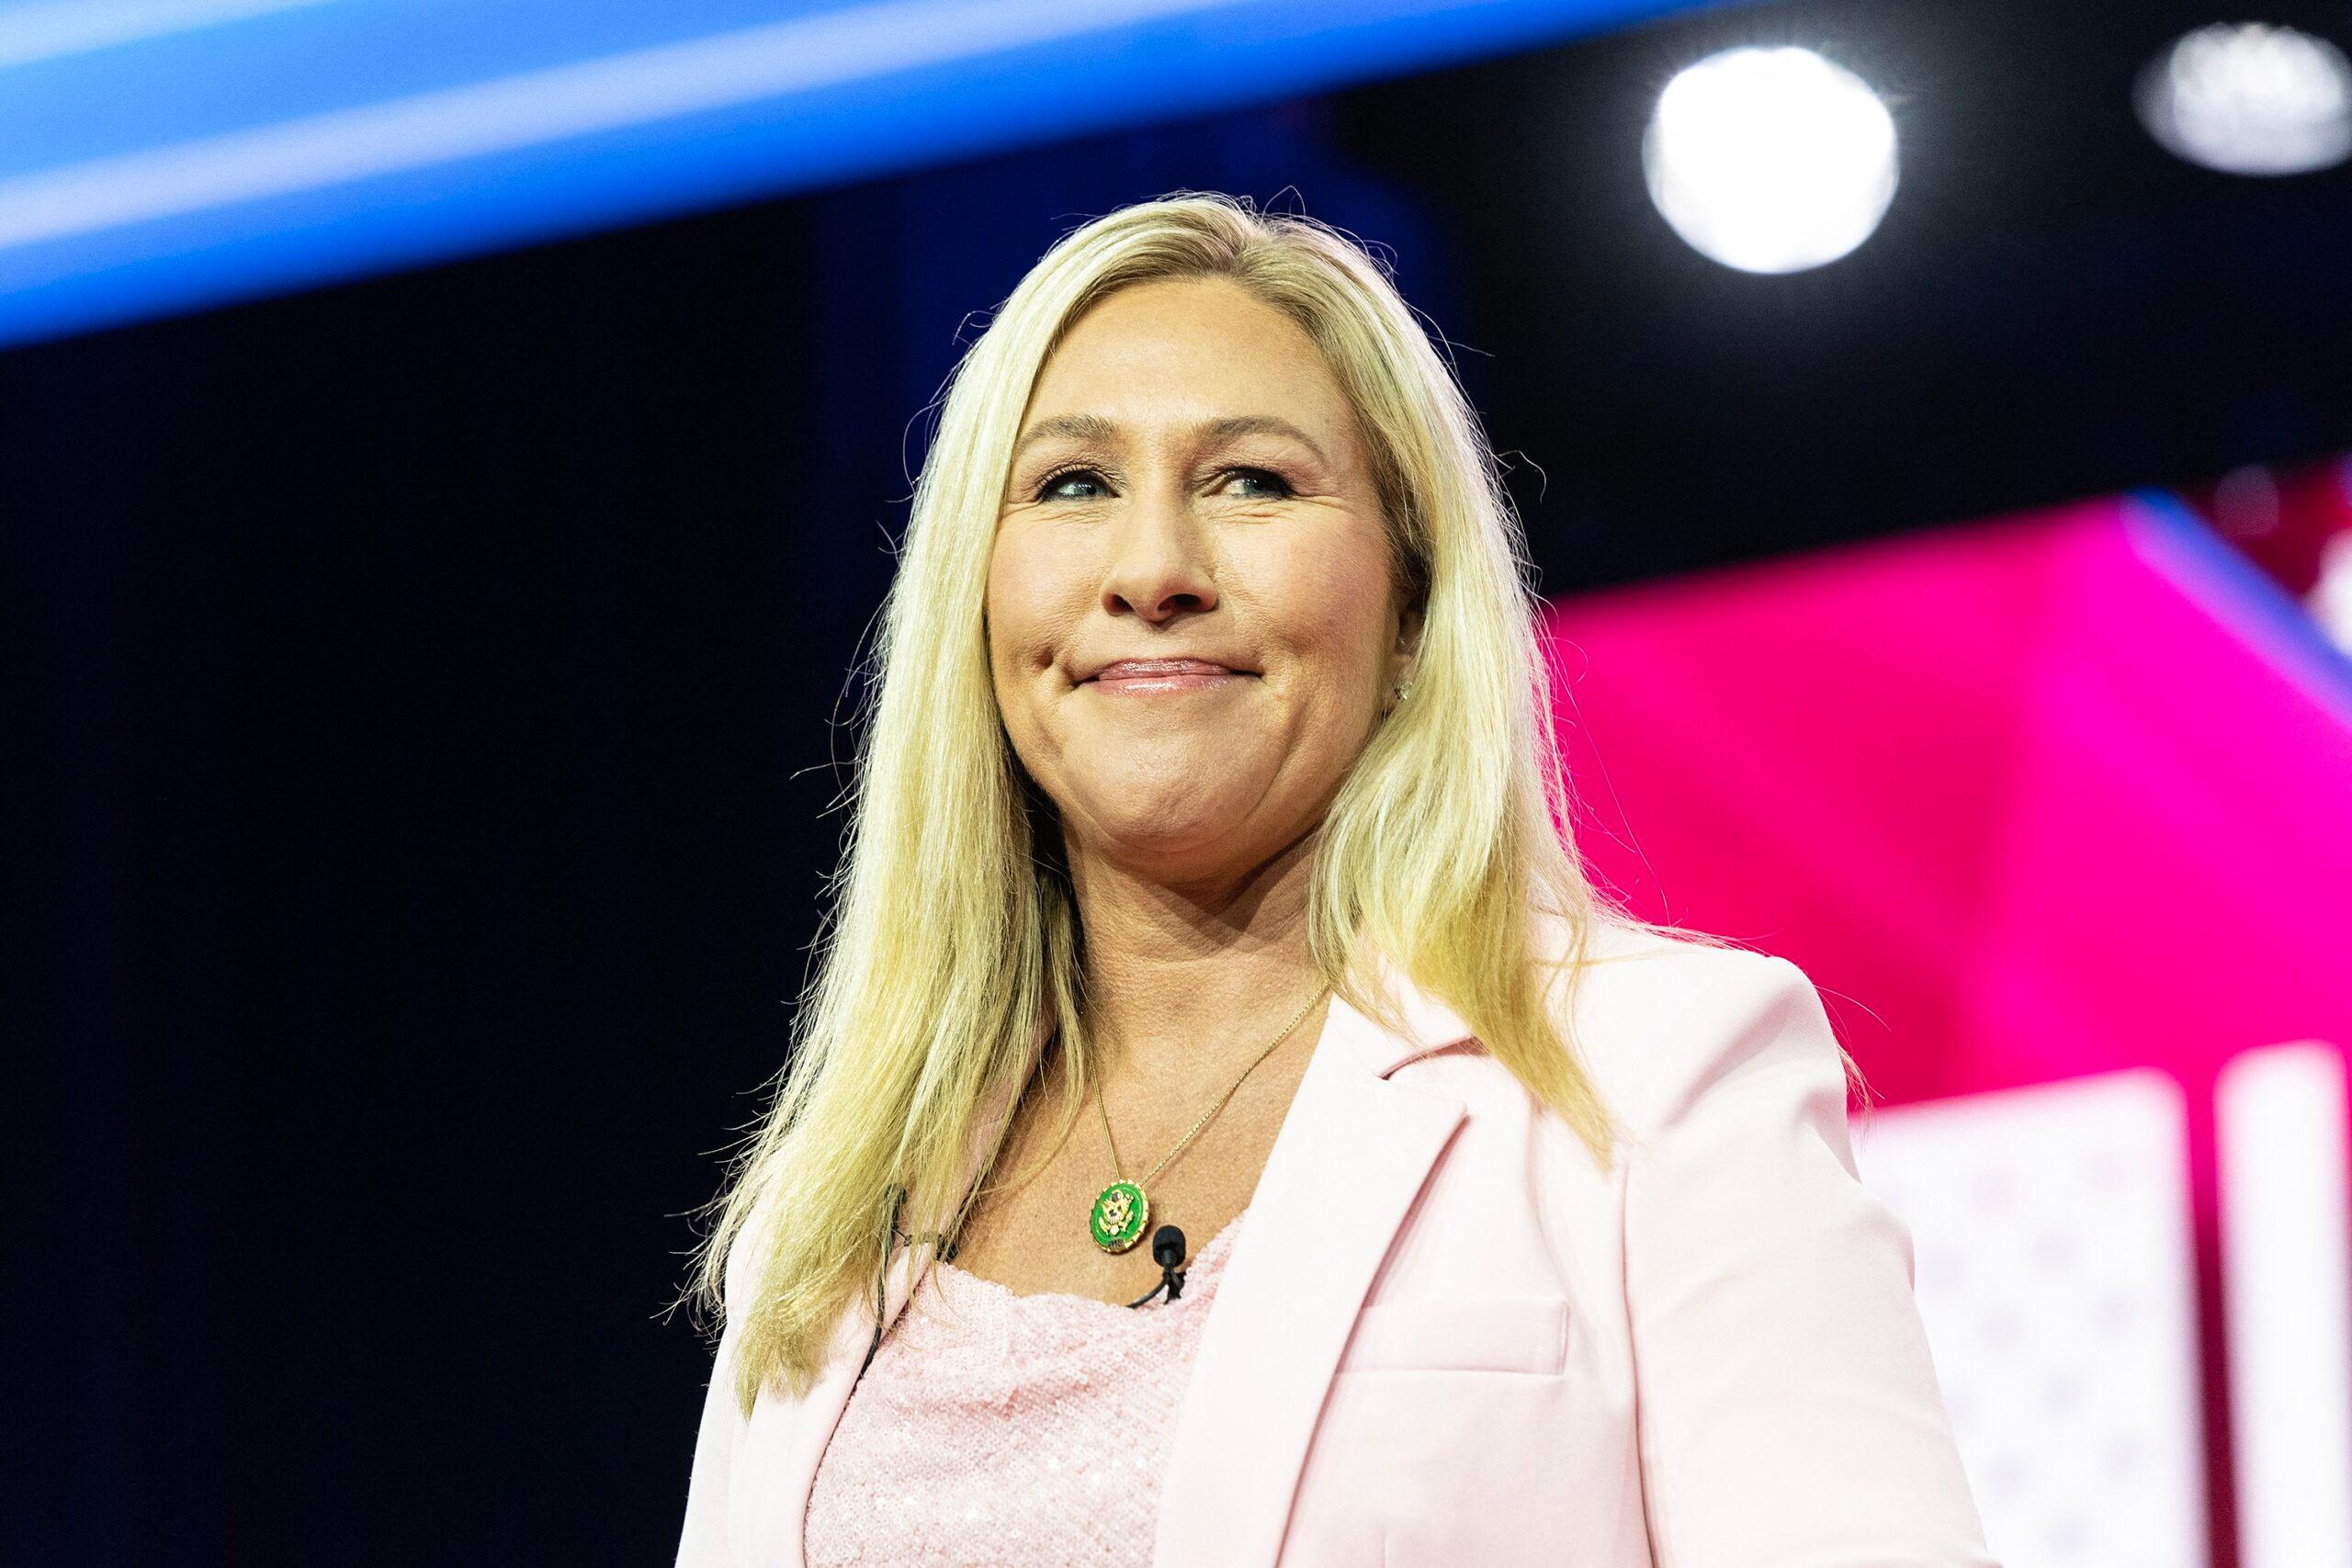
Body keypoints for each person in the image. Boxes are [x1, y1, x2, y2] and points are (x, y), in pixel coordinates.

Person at [672, 191, 1996, 1567]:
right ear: (978, 598)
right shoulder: (826, 1208)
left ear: (1413, 606)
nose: (1153, 570)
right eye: (1073, 484)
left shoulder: (1652, 1073)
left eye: (1252, 480)